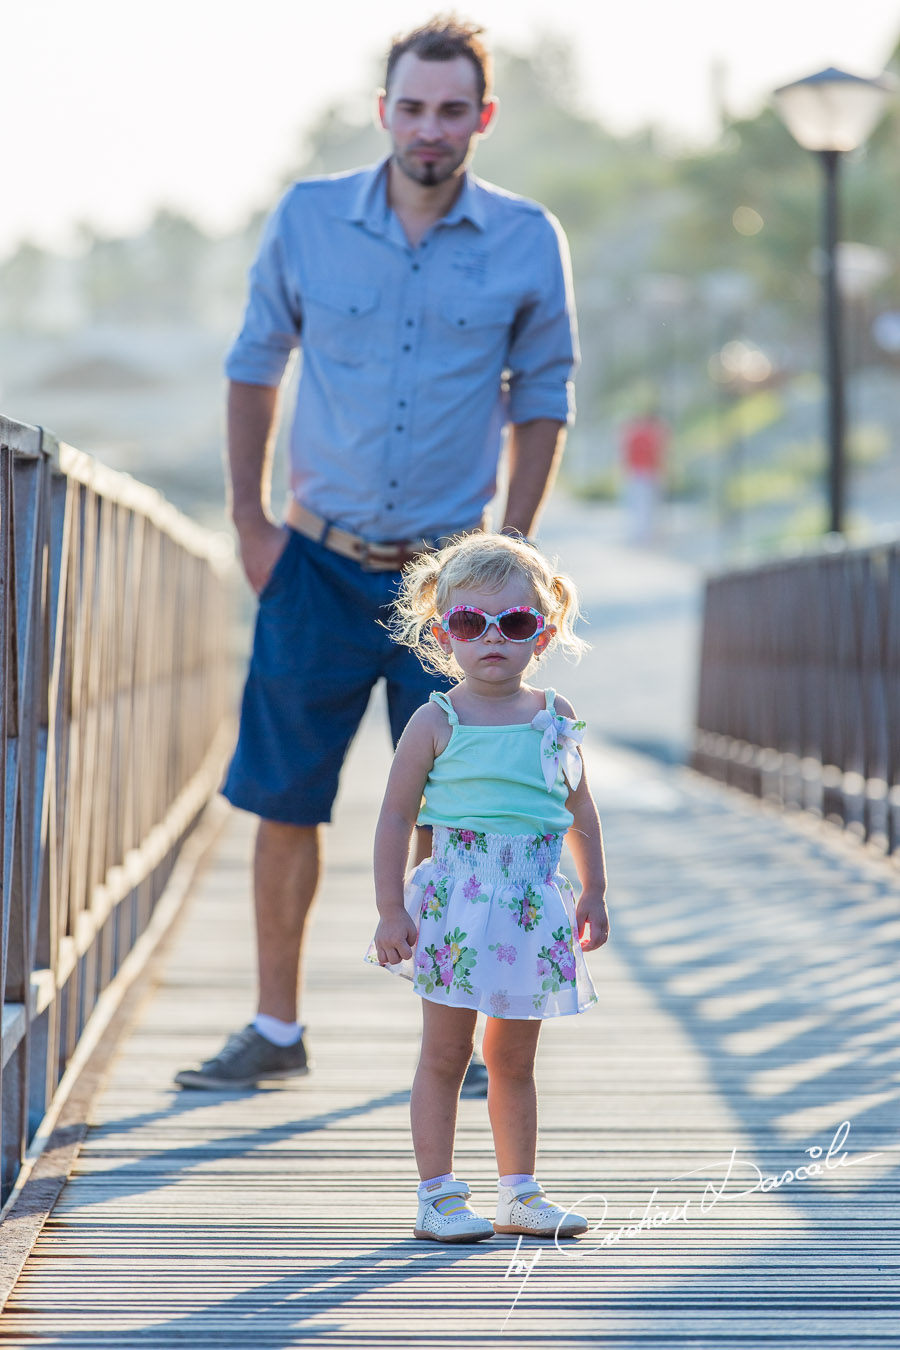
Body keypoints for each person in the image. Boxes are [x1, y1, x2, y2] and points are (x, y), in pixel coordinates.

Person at [175, 16, 578, 1091]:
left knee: (460, 809)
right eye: (412, 106)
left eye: (453, 111)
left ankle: (456, 1043)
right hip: (313, 560)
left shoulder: (529, 237)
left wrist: (515, 551)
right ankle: (275, 1028)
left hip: (452, 585)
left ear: (481, 119)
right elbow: (254, 364)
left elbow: (543, 399)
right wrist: (251, 525)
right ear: (383, 109)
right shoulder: (309, 220)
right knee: (283, 795)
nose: (430, 129)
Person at [367, 533, 609, 1241]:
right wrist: (389, 909)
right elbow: (393, 815)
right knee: (446, 1054)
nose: (493, 639)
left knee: (514, 1057)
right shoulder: (436, 721)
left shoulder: (554, 716)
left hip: (533, 903)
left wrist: (593, 890)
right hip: (457, 904)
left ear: (546, 630)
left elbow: (578, 807)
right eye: (472, 624)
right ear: (445, 634)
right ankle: (437, 1194)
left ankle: (519, 1192)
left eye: (516, 623)